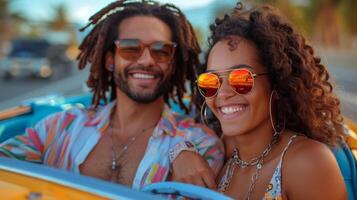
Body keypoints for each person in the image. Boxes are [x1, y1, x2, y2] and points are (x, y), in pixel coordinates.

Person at [0, 0, 223, 190]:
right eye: (130, 48)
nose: (146, 60)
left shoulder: (199, 145)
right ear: (109, 60)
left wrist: (180, 150)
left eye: (160, 51)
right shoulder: (59, 127)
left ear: (172, 65)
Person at [195, 3, 347, 199]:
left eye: (241, 78)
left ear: (276, 82)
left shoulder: (308, 163)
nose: (222, 93)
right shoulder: (217, 153)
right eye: (211, 81)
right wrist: (182, 154)